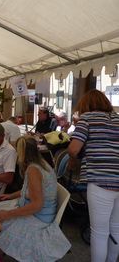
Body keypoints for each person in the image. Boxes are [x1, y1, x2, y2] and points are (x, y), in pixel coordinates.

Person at [0, 135, 71, 261]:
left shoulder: (34, 170)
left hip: (38, 218)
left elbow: (36, 205)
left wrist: (8, 214)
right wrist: (10, 196)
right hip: (37, 211)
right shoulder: (41, 163)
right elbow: (30, 191)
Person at [68, 89, 119, 262]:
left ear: (85, 106)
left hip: (100, 181)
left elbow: (74, 149)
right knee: (116, 228)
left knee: (99, 232)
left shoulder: (87, 119)